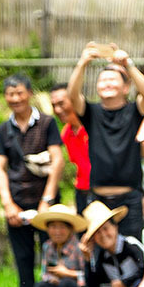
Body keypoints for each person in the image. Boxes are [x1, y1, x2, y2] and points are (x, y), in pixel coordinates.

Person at [67, 43, 144, 239]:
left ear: (126, 87)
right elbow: (72, 96)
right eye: (103, 80)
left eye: (113, 80)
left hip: (130, 198)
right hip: (98, 198)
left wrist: (128, 64)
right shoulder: (91, 113)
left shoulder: (135, 111)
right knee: (100, 256)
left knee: (133, 250)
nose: (107, 83)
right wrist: (82, 63)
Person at [0, 73, 65, 287]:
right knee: (22, 258)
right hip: (17, 202)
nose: (15, 98)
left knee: (53, 254)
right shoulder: (5, 129)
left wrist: (47, 200)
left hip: (45, 202)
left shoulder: (47, 123)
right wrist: (8, 204)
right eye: (10, 94)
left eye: (19, 93)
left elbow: (58, 161)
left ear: (29, 93)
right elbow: (0, 168)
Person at [81, 200, 144, 287]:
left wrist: (124, 282)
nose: (103, 235)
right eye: (98, 232)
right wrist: (87, 259)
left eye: (106, 229)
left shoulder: (131, 245)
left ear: (115, 227)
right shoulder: (102, 256)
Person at [32, 204, 91, 287]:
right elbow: (45, 274)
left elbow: (88, 278)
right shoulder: (47, 246)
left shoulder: (79, 248)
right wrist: (54, 279)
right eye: (53, 227)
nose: (57, 231)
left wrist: (67, 274)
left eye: (62, 227)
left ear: (70, 229)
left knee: (66, 285)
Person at [49, 83, 92, 213]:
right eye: (54, 106)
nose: (57, 110)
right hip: (81, 192)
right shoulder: (66, 133)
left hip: (103, 191)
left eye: (61, 104)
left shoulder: (94, 125)